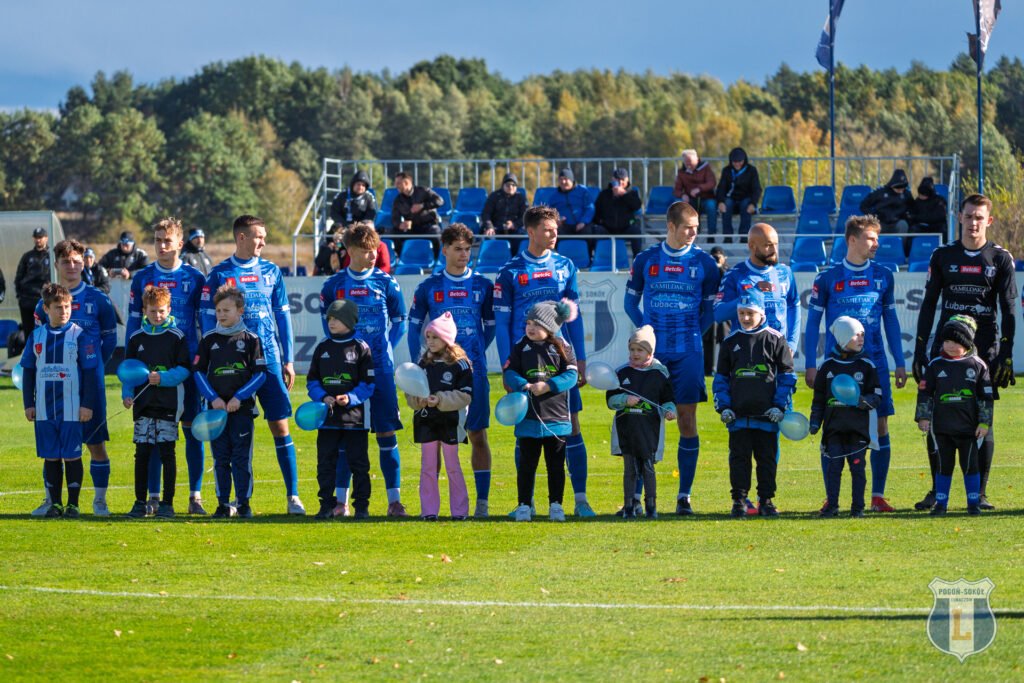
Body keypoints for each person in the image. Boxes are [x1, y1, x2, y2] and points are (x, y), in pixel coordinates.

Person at [912, 194, 1015, 511]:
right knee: (938, 414)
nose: (973, 222)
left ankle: (979, 494)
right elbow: (929, 303)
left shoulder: (1000, 258)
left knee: (984, 416)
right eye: (969, 216)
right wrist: (919, 348)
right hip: (945, 346)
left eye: (979, 217)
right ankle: (936, 491)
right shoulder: (942, 255)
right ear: (959, 217)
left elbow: (1009, 308)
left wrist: (1006, 351)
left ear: (989, 221)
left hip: (984, 348)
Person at [201, 215, 305, 515]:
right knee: (228, 433)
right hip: (230, 365)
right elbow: (206, 317)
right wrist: (212, 356)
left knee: (280, 426)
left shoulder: (272, 271)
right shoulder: (220, 273)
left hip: (268, 360)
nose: (263, 241)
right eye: (259, 236)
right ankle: (230, 500)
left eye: (264, 236)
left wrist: (288, 359)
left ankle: (293, 497)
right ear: (242, 237)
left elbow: (282, 316)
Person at [494, 206, 594, 517]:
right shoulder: (510, 271)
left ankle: (580, 500)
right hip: (523, 364)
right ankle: (526, 502)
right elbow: (501, 324)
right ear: (531, 231)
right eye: (548, 230)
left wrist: (580, 358)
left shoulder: (565, 266)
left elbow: (574, 318)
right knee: (523, 428)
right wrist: (507, 366)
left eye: (556, 229)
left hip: (558, 362)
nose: (554, 234)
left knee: (571, 426)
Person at [804, 215, 906, 512]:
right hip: (837, 368)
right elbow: (813, 324)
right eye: (871, 238)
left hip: (875, 364)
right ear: (852, 240)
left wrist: (900, 361)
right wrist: (811, 364)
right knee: (832, 428)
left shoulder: (884, 275)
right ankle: (832, 496)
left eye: (877, 238)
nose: (877, 244)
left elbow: (891, 321)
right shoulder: (827, 278)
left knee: (881, 425)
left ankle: (877, 496)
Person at [625, 201, 722, 515]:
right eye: (687, 228)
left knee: (686, 420)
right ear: (671, 226)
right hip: (653, 356)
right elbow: (630, 303)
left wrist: (694, 334)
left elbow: (710, 311)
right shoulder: (646, 259)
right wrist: (646, 334)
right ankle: (636, 497)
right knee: (642, 420)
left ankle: (684, 496)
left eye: (696, 228)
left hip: (688, 354)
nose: (693, 234)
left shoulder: (706, 264)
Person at [319, 222, 408, 516]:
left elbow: (400, 321)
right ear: (350, 250)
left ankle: (394, 501)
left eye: (375, 250)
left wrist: (385, 348)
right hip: (346, 372)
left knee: (386, 433)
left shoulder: (386, 282)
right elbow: (328, 325)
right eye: (366, 251)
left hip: (380, 369)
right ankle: (341, 502)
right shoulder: (333, 285)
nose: (373, 255)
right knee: (347, 434)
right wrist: (340, 352)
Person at [408, 224, 495, 517]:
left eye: (468, 249)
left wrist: (472, 356)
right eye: (458, 249)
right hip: (435, 376)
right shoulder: (429, 287)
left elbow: (490, 328)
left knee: (478, 433)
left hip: (474, 372)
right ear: (444, 249)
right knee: (434, 441)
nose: (464, 255)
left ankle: (481, 502)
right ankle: (431, 507)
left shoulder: (483, 286)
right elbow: (413, 328)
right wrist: (419, 365)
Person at [32, 239, 117, 517]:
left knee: (95, 444)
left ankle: (100, 501)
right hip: (55, 389)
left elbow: (109, 339)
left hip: (89, 388)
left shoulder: (99, 299)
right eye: (66, 261)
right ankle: (51, 501)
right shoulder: (43, 304)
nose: (71, 266)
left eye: (76, 261)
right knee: (53, 447)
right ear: (56, 264)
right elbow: (38, 345)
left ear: (84, 263)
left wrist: (92, 371)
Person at [128, 217, 208, 515]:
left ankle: (195, 496)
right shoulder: (142, 277)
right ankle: (152, 497)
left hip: (186, 369)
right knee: (152, 434)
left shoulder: (195, 277)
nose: (162, 246)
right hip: (150, 373)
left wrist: (203, 361)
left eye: (167, 240)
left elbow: (205, 322)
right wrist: (131, 367)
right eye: (157, 240)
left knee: (192, 430)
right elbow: (133, 327)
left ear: (180, 243)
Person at [713, 288, 796, 518]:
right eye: (741, 313)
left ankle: (766, 501)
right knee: (738, 460)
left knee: (766, 460)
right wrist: (724, 407)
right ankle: (739, 501)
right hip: (738, 417)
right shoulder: (730, 342)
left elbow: (788, 377)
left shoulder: (775, 339)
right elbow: (720, 380)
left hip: (767, 416)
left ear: (762, 313)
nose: (746, 317)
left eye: (750, 313)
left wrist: (779, 406)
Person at [20, 283, 98, 518]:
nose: (63, 311)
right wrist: (28, 403)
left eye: (67, 307)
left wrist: (87, 404)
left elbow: (90, 373)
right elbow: (28, 372)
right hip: (44, 408)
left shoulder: (80, 335)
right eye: (58, 307)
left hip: (72, 408)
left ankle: (73, 505)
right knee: (51, 455)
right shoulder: (37, 336)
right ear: (46, 309)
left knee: (72, 455)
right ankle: (55, 504)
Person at [503, 300, 579, 522]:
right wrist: (523, 384)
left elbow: (572, 376)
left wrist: (548, 386)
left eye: (536, 324)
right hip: (527, 419)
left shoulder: (562, 346)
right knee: (526, 466)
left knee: (555, 466)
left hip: (556, 420)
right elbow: (509, 372)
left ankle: (556, 505)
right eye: (528, 323)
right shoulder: (520, 346)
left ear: (550, 326)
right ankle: (524, 505)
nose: (531, 328)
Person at [195, 286, 267, 519]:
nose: (221, 314)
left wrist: (239, 397)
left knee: (241, 458)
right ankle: (223, 504)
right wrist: (214, 399)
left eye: (226, 310)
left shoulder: (251, 339)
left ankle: (244, 504)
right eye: (218, 310)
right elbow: (198, 373)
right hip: (215, 413)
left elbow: (260, 375)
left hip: (242, 411)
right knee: (220, 459)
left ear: (240, 311)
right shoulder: (208, 339)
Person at [122, 285, 191, 519]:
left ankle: (167, 503)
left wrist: (163, 378)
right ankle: (139, 502)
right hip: (143, 405)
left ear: (169, 309)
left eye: (162, 311)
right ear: (144, 310)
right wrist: (127, 394)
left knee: (167, 453)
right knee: (141, 453)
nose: (157, 315)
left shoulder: (177, 337)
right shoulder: (136, 338)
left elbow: (184, 369)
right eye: (153, 311)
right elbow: (128, 371)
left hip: (168, 404)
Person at [915, 315, 992, 516]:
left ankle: (973, 504)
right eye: (947, 341)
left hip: (969, 430)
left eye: (955, 342)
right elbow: (925, 393)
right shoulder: (935, 365)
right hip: (942, 429)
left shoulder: (977, 365)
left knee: (970, 466)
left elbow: (986, 398)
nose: (949, 345)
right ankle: (941, 504)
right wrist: (923, 417)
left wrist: (984, 423)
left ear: (966, 344)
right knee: (943, 466)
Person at [307, 299, 375, 520]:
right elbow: (312, 381)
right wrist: (322, 397)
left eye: (336, 318)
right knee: (325, 463)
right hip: (327, 418)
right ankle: (326, 505)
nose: (331, 322)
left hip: (355, 419)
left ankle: (361, 507)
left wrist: (351, 398)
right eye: (329, 318)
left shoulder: (361, 347)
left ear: (349, 321)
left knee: (359, 464)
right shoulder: (322, 347)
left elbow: (368, 384)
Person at [809, 316, 882, 517]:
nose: (861, 338)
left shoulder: (867, 365)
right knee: (834, 467)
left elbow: (877, 395)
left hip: (858, 429)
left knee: (857, 468)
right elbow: (819, 399)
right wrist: (815, 421)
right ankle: (832, 505)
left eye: (862, 335)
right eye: (855, 335)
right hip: (833, 429)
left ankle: (857, 508)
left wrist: (864, 401)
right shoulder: (827, 366)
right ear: (842, 338)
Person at [406, 312, 473, 521]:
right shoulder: (422, 363)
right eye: (428, 337)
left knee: (452, 466)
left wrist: (441, 399)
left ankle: (460, 511)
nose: (430, 341)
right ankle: (428, 511)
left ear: (447, 338)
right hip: (426, 421)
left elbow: (465, 395)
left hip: (450, 422)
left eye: (435, 337)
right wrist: (419, 401)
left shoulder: (461, 364)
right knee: (428, 466)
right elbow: (411, 392)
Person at [606, 325, 676, 519]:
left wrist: (670, 410)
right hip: (627, 430)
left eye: (640, 350)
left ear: (650, 352)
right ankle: (629, 507)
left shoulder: (660, 374)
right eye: (632, 349)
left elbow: (668, 399)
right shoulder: (621, 373)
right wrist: (624, 400)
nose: (635, 354)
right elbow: (610, 400)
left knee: (648, 468)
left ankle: (651, 507)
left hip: (649, 432)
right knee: (629, 469)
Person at [715, 223, 799, 354]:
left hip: (778, 352)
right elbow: (719, 314)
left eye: (776, 244)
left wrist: (792, 343)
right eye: (768, 245)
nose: (774, 250)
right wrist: (751, 294)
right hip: (744, 353)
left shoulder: (785, 272)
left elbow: (794, 305)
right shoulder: (735, 274)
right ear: (752, 246)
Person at [591, 168, 643, 257]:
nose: (620, 182)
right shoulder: (604, 194)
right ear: (613, 179)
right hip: (607, 228)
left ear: (627, 180)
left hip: (625, 228)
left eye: (622, 179)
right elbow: (596, 211)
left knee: (636, 231)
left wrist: (624, 194)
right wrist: (600, 222)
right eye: (617, 179)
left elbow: (637, 206)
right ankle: (596, 258)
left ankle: (637, 260)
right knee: (594, 231)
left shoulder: (632, 193)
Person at [390, 171, 443, 255]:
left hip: (429, 226)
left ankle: (437, 259)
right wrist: (400, 225)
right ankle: (402, 258)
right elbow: (394, 218)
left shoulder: (423, 191)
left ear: (406, 183)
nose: (396, 186)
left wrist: (423, 206)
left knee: (436, 234)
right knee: (394, 234)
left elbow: (439, 201)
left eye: (398, 183)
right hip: (412, 228)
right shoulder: (398, 200)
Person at [715, 148, 761, 243]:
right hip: (731, 199)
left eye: (740, 161)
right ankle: (728, 236)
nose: (737, 164)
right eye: (734, 162)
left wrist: (753, 203)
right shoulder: (726, 171)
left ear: (744, 160)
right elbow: (721, 188)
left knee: (746, 205)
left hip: (746, 199)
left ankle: (744, 236)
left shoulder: (751, 170)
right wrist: (720, 202)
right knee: (726, 205)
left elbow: (756, 189)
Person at [673, 149, 718, 239]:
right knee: (681, 207)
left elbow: (712, 183)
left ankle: (711, 235)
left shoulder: (706, 168)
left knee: (711, 206)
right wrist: (683, 195)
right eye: (686, 162)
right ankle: (686, 235)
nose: (688, 164)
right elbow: (676, 190)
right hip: (690, 199)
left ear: (697, 159)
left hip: (706, 197)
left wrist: (699, 188)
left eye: (690, 161)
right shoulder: (681, 172)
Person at [15, 227, 50, 337]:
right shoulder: (27, 256)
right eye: (36, 237)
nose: (38, 240)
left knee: (45, 330)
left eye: (40, 237)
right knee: (29, 332)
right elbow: (19, 277)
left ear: (46, 238)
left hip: (44, 299)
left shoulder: (52, 256)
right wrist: (20, 295)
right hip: (27, 299)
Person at [315, 225, 391, 276]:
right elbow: (318, 263)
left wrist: (373, 276)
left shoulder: (349, 248)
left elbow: (386, 266)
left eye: (342, 233)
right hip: (329, 277)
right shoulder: (326, 247)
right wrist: (330, 250)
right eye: (337, 233)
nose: (339, 236)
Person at [547, 168, 595, 243]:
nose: (563, 182)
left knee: (589, 233)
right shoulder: (554, 196)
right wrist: (556, 220)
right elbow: (549, 212)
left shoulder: (583, 191)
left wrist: (583, 222)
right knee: (553, 233)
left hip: (582, 225)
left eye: (565, 179)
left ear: (571, 180)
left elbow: (590, 208)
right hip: (563, 226)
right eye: (560, 179)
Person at [703, 247, 730, 376]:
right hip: (709, 311)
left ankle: (725, 369)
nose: (716, 259)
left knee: (726, 340)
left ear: (725, 258)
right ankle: (708, 369)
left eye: (718, 256)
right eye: (714, 257)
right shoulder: (706, 271)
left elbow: (727, 283)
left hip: (723, 311)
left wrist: (720, 267)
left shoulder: (728, 271)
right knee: (709, 342)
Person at [859, 170, 911, 234]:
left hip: (897, 223)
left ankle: (899, 241)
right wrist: (873, 216)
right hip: (881, 223)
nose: (901, 190)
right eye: (898, 188)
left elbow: (912, 208)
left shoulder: (906, 194)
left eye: (903, 188)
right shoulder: (880, 192)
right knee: (871, 226)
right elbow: (863, 206)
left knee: (903, 225)